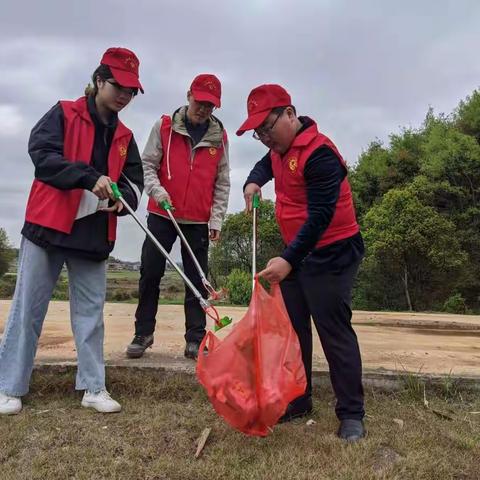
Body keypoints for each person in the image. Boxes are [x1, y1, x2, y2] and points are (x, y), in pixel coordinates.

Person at [0, 47, 144, 415]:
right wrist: (88, 176)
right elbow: (43, 157)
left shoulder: (126, 136)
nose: (124, 96)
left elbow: (134, 185)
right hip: (47, 228)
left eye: (131, 91)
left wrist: (122, 200)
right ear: (99, 81)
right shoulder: (63, 113)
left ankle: (94, 387)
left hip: (93, 234)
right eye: (119, 87)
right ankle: (10, 387)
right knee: (27, 311)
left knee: (90, 315)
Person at [238, 84, 366, 442]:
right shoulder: (279, 147)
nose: (264, 137)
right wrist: (252, 182)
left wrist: (288, 260)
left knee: (333, 331)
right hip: (297, 251)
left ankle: (352, 413)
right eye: (258, 133)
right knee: (294, 330)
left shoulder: (320, 154)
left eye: (268, 127)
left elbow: (321, 216)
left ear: (290, 114)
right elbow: (267, 163)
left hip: (331, 252)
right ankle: (299, 398)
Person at [126, 74, 230, 360]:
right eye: (200, 102)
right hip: (162, 213)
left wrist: (217, 218)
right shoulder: (164, 127)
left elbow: (222, 181)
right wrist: (157, 192)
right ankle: (143, 333)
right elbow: (147, 165)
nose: (204, 109)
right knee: (150, 272)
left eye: (210, 105)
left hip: (197, 219)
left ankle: (195, 338)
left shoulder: (219, 137)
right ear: (188, 95)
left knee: (197, 280)